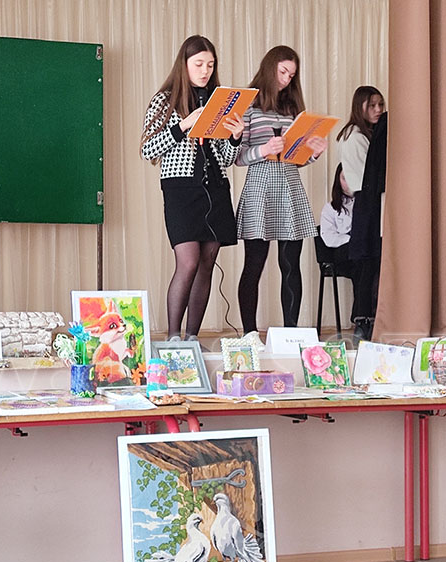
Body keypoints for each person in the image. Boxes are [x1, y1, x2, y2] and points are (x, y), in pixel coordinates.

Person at [141, 35, 244, 343]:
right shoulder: (165, 100)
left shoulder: (218, 101)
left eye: (210, 65)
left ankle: (192, 337)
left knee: (207, 264)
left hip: (215, 188)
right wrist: (183, 125)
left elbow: (226, 157)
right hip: (181, 189)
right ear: (184, 64)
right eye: (198, 64)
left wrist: (235, 137)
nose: (205, 71)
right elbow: (148, 150)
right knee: (187, 261)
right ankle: (173, 337)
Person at [235, 45, 327, 333]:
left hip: (289, 183)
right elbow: (237, 156)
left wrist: (314, 153)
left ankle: (291, 332)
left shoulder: (292, 108)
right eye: (283, 71)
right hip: (259, 185)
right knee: (254, 265)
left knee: (290, 264)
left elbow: (296, 158)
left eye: (292, 75)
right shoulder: (249, 105)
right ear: (269, 67)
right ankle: (249, 333)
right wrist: (264, 149)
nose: (287, 79)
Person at [336, 86, 386, 341]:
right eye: (371, 105)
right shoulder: (356, 137)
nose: (378, 110)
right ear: (360, 107)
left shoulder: (362, 134)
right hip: (368, 204)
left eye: (380, 105)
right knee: (368, 264)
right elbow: (366, 178)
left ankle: (364, 320)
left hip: (367, 204)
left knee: (369, 265)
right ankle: (364, 321)